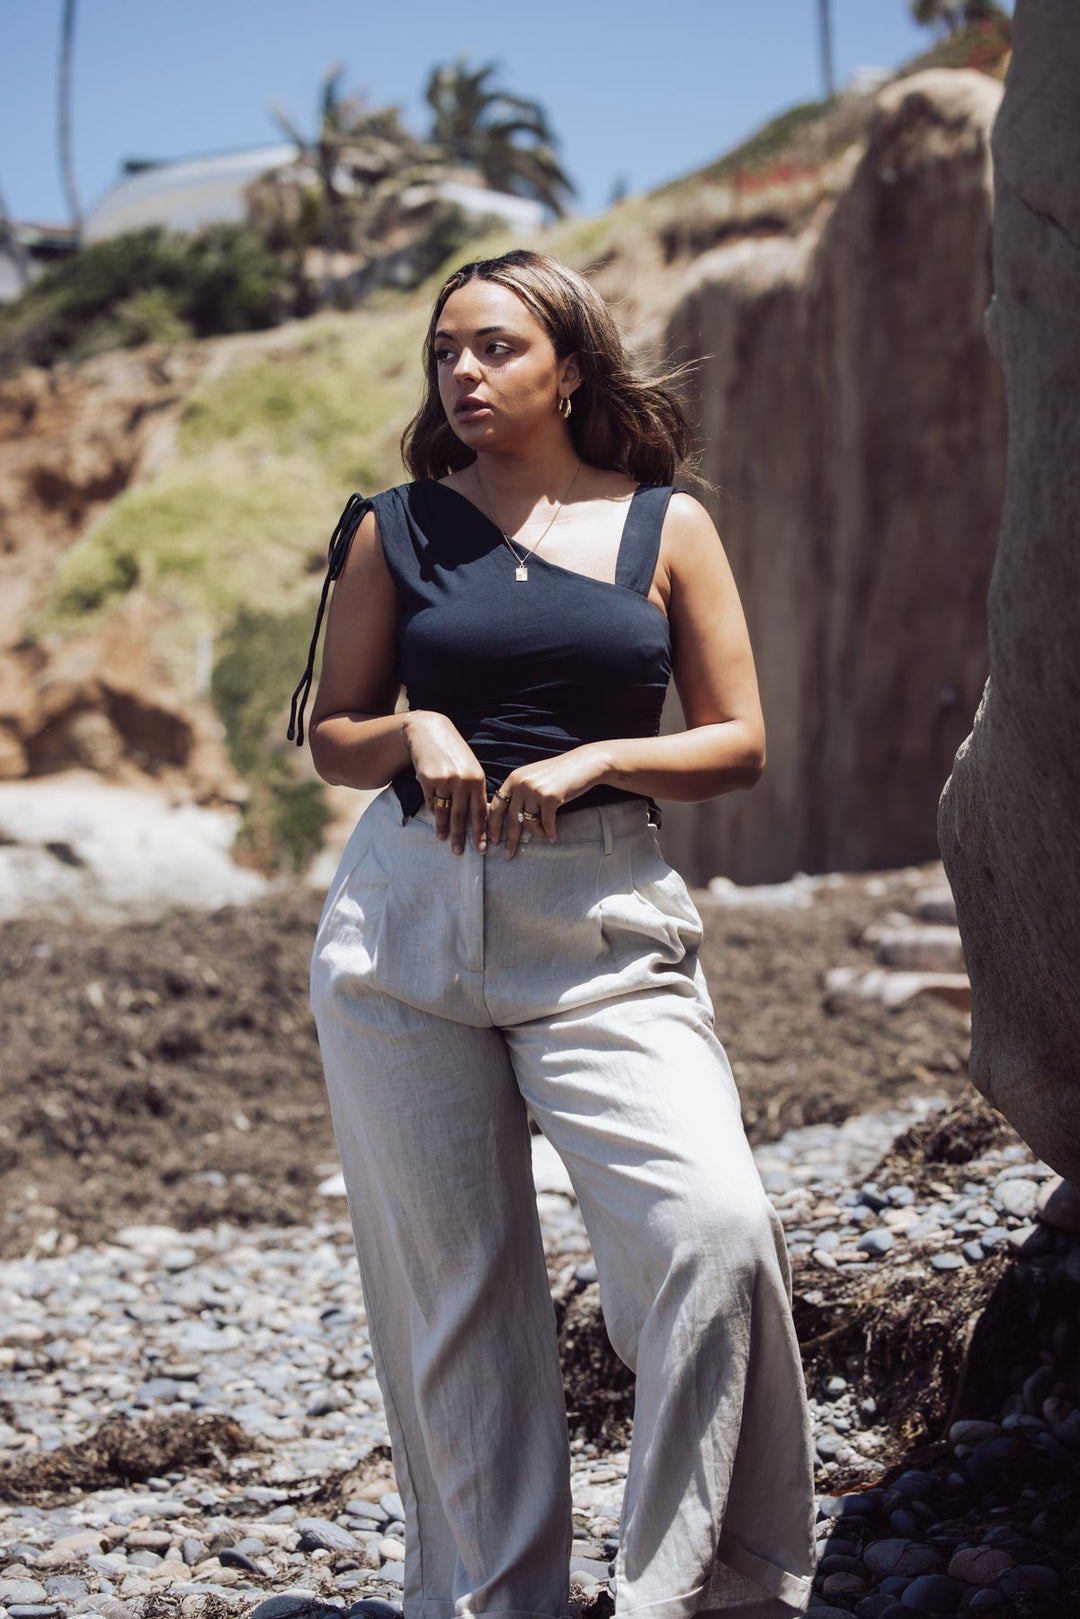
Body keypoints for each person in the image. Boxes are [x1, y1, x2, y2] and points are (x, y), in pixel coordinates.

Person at [290, 248, 816, 1619]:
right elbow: (330, 738)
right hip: (405, 928)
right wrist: (415, 722)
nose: (463, 372)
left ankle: (696, 1590)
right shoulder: (391, 527)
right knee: (458, 1306)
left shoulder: (667, 525)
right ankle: (494, 1601)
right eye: (446, 352)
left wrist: (595, 762)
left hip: (598, 929)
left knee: (713, 1228)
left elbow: (741, 744)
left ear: (571, 366)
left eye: (497, 349)